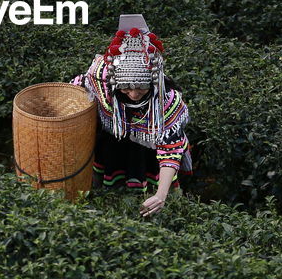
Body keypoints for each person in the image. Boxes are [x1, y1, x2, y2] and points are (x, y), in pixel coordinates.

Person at [68, 13, 195, 217]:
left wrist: (161, 195)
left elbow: (170, 149)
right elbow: (76, 90)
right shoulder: (102, 80)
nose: (134, 95)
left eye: (142, 89)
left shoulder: (166, 101)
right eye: (126, 89)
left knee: (149, 174)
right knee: (109, 176)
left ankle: (153, 199)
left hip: (149, 146)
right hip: (113, 140)